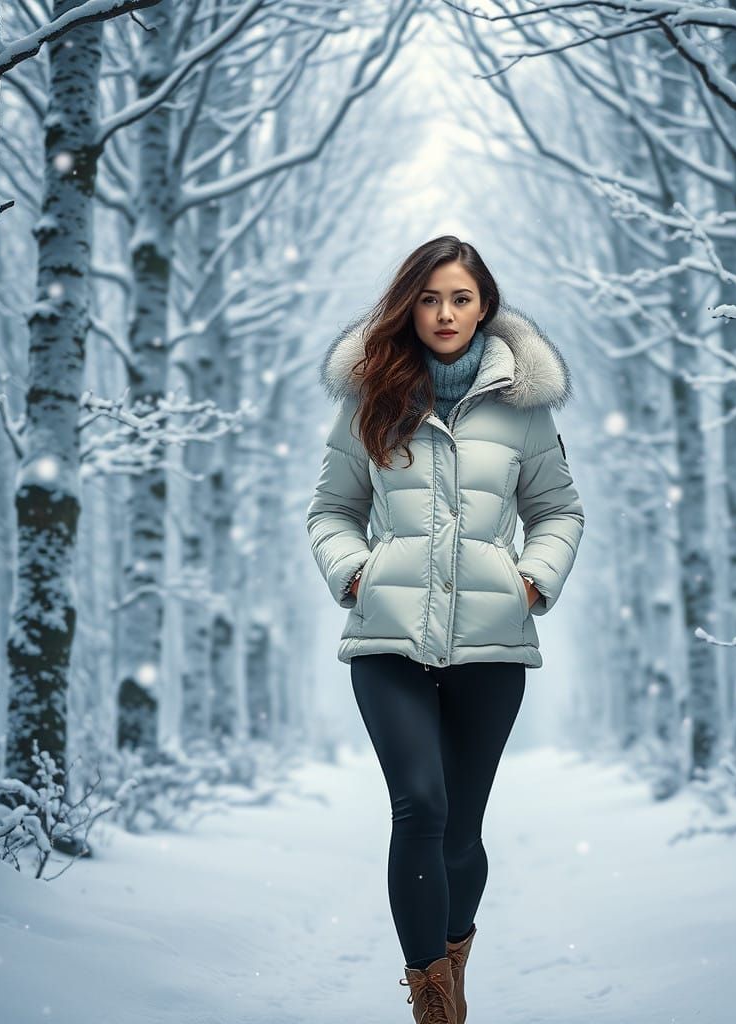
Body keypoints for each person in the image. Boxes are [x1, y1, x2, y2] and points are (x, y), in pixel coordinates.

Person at [306, 235, 585, 1024]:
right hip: (388, 640)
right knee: (418, 809)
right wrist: (353, 572)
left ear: (484, 305)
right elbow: (331, 510)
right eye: (429, 298)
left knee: (461, 831)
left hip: (490, 645)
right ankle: (432, 997)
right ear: (409, 305)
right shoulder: (372, 398)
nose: (444, 312)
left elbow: (558, 511)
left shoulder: (524, 410)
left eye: (460, 297)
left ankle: (455, 951)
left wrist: (533, 580)